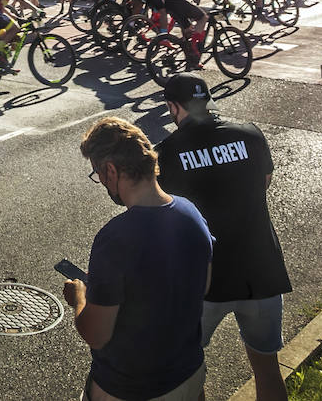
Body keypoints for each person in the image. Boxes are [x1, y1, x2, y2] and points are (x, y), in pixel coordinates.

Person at [156, 74, 291, 401]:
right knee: (268, 371)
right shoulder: (249, 133)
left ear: (173, 107)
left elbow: (165, 212)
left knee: (187, 374)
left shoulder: (169, 151)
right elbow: (265, 182)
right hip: (261, 273)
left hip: (202, 282)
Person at [65, 117, 213, 401]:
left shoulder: (114, 239)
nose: (101, 182)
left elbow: (96, 334)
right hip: (189, 375)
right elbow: (203, 285)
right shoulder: (191, 213)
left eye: (97, 174)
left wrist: (80, 298)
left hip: (131, 388)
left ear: (110, 170)